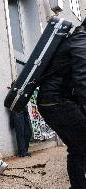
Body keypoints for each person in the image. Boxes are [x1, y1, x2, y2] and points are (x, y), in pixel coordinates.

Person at [37, 19, 86, 189]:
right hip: (56, 101)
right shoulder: (81, 40)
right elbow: (82, 79)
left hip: (53, 101)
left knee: (78, 147)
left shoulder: (77, 38)